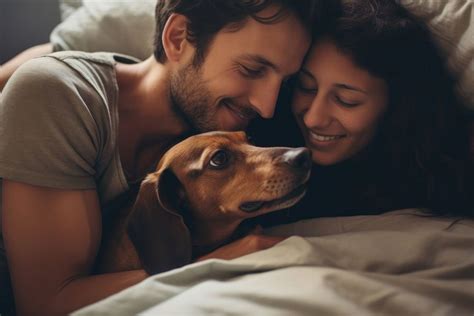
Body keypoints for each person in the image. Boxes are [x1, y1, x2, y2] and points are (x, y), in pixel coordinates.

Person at [0, 0, 319, 314]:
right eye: (252, 69)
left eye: (286, 81)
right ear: (178, 38)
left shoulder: (215, 132)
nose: (267, 107)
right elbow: (46, 306)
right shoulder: (59, 95)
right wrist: (213, 263)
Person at [251, 0, 473, 226]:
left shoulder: (446, 173)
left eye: (347, 101)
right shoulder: (259, 139)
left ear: (395, 106)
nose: (313, 118)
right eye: (306, 87)